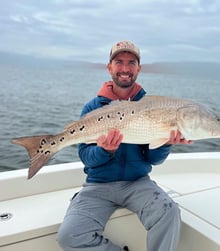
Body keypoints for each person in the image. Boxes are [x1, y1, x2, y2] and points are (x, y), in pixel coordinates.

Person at [57, 40, 192, 251]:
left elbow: (153, 159)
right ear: (109, 67)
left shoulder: (153, 106)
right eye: (119, 62)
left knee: (169, 212)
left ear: (138, 68)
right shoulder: (93, 108)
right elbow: (86, 156)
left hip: (138, 183)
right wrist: (104, 151)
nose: (125, 68)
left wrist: (165, 143)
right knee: (69, 236)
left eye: (131, 62)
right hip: (97, 186)